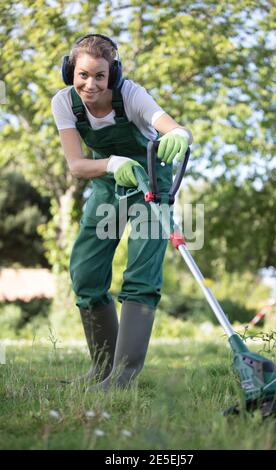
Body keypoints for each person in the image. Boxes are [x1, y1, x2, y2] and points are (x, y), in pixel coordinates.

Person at [51, 34, 193, 390]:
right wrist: (113, 164)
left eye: (100, 75)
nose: (90, 83)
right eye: (83, 74)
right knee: (85, 272)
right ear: (70, 71)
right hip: (107, 184)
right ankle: (102, 368)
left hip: (150, 184)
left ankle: (123, 376)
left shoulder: (130, 95)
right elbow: (77, 165)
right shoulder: (64, 103)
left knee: (141, 275)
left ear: (111, 75)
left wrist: (179, 134)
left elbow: (169, 125)